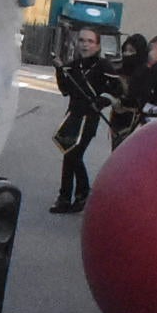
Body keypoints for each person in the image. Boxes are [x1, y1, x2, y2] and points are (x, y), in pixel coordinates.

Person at [50, 24, 111, 215]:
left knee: (73, 155)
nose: (85, 45)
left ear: (98, 46)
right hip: (72, 116)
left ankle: (78, 193)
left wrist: (101, 101)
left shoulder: (104, 67)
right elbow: (65, 90)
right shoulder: (71, 66)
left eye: (90, 41)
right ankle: (68, 197)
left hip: (89, 117)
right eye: (82, 40)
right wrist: (60, 70)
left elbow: (117, 90)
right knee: (69, 155)